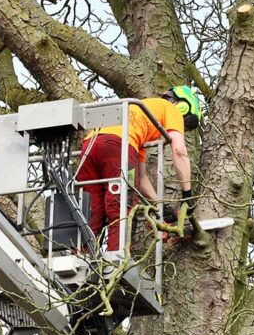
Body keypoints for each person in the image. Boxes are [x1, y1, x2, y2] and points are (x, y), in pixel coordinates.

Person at [76, 86, 201, 252]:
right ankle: (117, 261)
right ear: (184, 106)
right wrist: (187, 195)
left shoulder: (138, 120)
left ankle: (82, 259)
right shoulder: (172, 109)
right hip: (118, 147)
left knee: (90, 209)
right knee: (121, 207)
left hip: (89, 146)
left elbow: (141, 178)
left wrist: (159, 206)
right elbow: (178, 151)